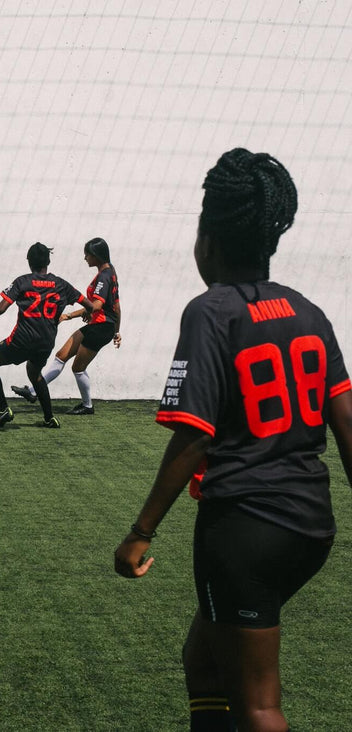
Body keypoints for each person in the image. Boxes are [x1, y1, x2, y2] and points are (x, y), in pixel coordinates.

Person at [114, 149, 352, 731]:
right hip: (311, 526)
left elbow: (193, 439)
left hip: (244, 529)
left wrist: (139, 533)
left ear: (208, 240)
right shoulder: (310, 311)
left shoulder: (210, 312)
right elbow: (346, 423)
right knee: (204, 659)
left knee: (259, 707)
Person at [0, 242, 94, 429]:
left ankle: (4, 409)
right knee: (34, 373)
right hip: (46, 343)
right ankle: (49, 418)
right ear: (48, 261)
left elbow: (1, 308)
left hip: (21, 340)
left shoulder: (23, 282)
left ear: (29, 262)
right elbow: (89, 305)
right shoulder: (62, 284)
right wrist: (88, 312)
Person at [11, 237, 121, 414]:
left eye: (87, 255)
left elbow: (96, 306)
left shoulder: (104, 277)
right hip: (99, 325)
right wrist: (117, 331)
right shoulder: (111, 273)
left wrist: (69, 315)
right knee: (61, 355)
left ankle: (87, 406)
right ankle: (32, 392)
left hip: (100, 328)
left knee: (78, 368)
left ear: (96, 256)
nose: (85, 258)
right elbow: (116, 306)